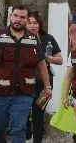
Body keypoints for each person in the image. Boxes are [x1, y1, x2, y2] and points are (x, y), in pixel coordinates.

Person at [0, 4, 52, 143]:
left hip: (24, 93)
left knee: (18, 129)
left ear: (27, 20)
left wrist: (47, 86)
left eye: (22, 17)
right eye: (15, 16)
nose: (18, 19)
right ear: (11, 17)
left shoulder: (33, 39)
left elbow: (42, 64)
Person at [25, 11, 63, 142]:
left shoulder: (48, 38)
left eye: (35, 23)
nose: (32, 26)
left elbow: (60, 60)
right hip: (24, 81)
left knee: (38, 114)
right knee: (22, 112)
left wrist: (47, 58)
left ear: (40, 24)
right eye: (29, 23)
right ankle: (27, 132)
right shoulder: (20, 38)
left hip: (44, 82)